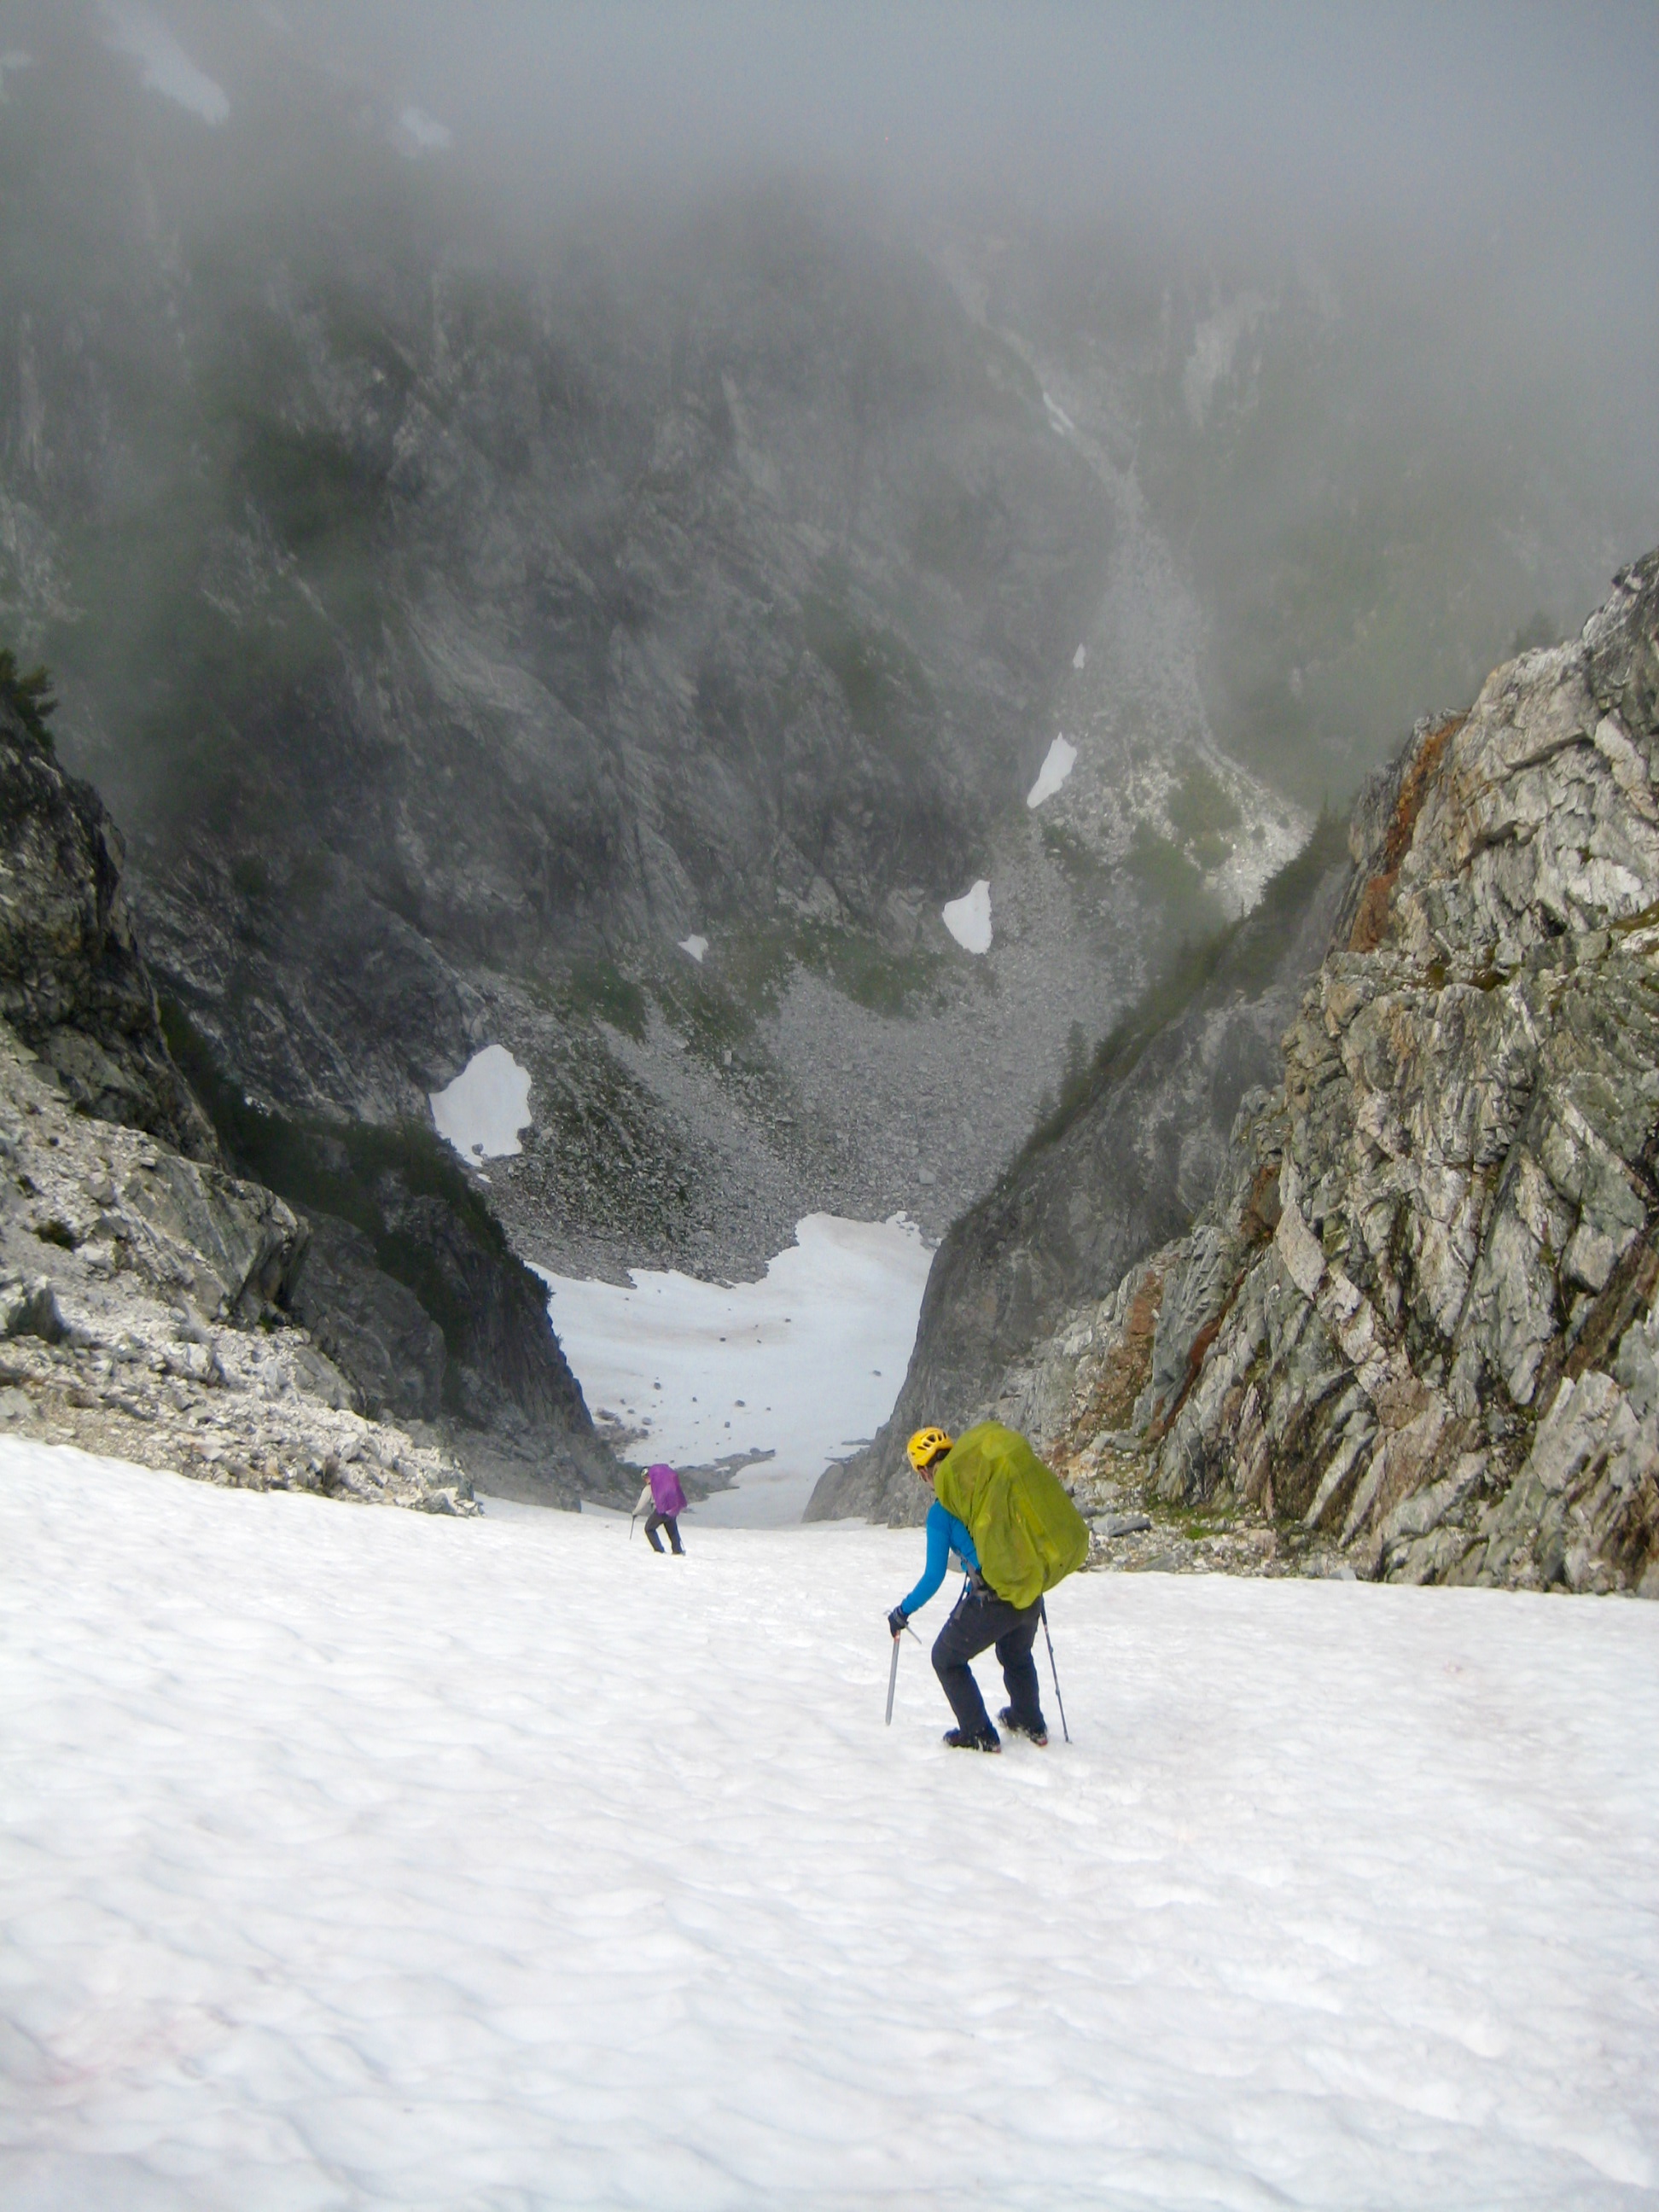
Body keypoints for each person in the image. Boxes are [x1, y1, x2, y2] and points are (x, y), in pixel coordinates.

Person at [886, 1425, 1049, 1753]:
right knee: (1016, 1653)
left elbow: (933, 1577)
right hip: (1028, 1589)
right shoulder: (989, 1488)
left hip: (995, 1599)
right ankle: (1031, 1722)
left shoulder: (940, 1513)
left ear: (923, 1473)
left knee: (945, 1659)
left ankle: (979, 1733)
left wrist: (902, 1611)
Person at [634, 1461, 686, 1554]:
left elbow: (642, 1503)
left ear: (646, 1477)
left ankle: (659, 1551)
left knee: (649, 1528)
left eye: (644, 1478)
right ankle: (677, 1551)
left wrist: (635, 1513)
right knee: (673, 1532)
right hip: (671, 1510)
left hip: (660, 1511)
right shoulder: (665, 1484)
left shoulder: (650, 1488)